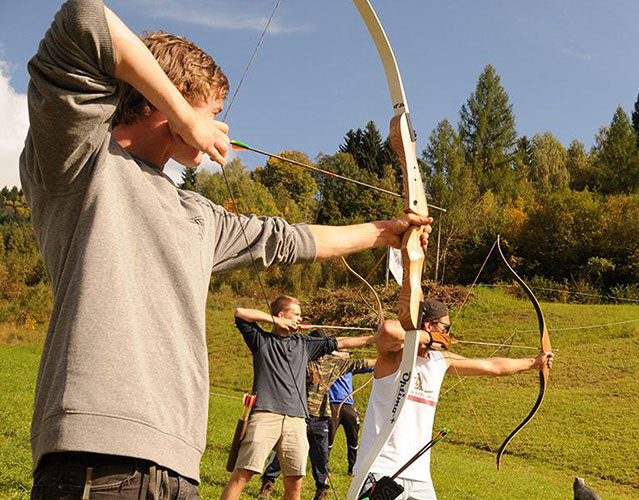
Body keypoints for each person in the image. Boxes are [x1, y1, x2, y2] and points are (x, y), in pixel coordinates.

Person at [21, 1, 431, 498]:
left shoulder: (198, 214)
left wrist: (387, 232)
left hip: (177, 465)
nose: (221, 126)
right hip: (95, 459)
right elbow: (81, 18)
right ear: (172, 91)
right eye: (213, 111)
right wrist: (184, 118)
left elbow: (287, 239)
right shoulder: (80, 160)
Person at [355, 300, 554, 500]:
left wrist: (533, 363)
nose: (448, 335)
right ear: (428, 325)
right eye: (445, 328)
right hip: (380, 469)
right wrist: (430, 338)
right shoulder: (393, 359)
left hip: (419, 477)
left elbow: (492, 366)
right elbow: (389, 329)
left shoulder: (442, 361)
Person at [223, 297, 374, 500]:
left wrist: (375, 338)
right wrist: (273, 321)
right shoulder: (261, 340)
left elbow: (343, 342)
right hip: (265, 414)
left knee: (295, 480)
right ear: (281, 315)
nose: (300, 318)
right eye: (296, 314)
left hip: (296, 420)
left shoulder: (304, 344)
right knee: (243, 473)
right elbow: (240, 312)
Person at [258, 346, 375, 500]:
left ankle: (322, 490)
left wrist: (392, 355)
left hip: (320, 418)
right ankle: (268, 482)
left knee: (321, 456)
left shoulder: (334, 364)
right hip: (297, 415)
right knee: (285, 451)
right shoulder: (300, 361)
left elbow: (362, 364)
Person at [327, 358, 375, 476]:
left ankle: (352, 469)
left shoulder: (350, 367)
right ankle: (325, 469)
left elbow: (369, 366)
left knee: (353, 438)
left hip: (348, 405)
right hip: (333, 404)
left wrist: (386, 358)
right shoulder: (330, 364)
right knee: (329, 439)